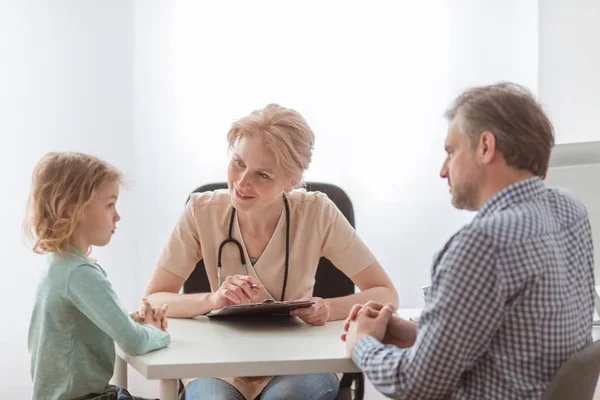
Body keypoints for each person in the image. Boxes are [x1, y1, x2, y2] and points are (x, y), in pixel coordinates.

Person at [343, 82, 596, 399]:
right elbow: (522, 346)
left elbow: (417, 384)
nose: (442, 170)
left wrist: (361, 343)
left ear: (486, 147)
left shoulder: (483, 243)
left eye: (450, 152)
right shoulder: (570, 210)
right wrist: (423, 335)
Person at [144, 103, 399, 400]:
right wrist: (212, 300)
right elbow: (153, 299)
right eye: (238, 163)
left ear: (292, 181)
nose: (242, 182)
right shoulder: (202, 210)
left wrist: (329, 309)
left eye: (262, 175)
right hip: (219, 361)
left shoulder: (317, 212)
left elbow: (385, 294)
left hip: (300, 359)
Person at [26, 152, 171, 400]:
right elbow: (132, 343)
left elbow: (82, 327)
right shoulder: (79, 273)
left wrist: (132, 323)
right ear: (75, 210)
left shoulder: (59, 264)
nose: (117, 215)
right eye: (110, 204)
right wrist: (158, 332)